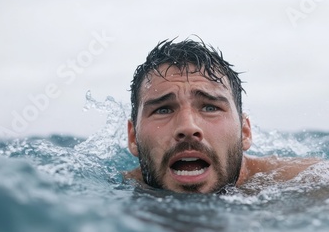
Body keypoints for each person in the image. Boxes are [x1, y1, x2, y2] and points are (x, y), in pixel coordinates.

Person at [124, 38, 318, 194]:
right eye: (163, 110)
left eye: (210, 107)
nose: (188, 127)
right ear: (133, 138)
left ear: (245, 131)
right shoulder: (114, 186)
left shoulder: (306, 182)